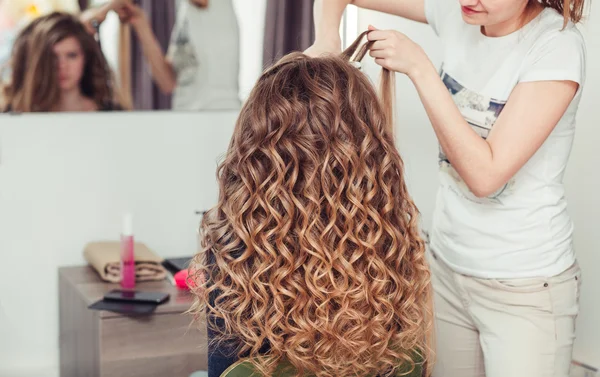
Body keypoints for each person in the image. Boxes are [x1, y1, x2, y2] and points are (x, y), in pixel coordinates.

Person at [306, 0, 587, 377]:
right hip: (447, 270)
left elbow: (485, 176)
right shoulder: (457, 11)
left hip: (525, 288)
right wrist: (328, 37)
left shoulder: (556, 46)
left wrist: (420, 68)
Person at [188, 32, 433, 377]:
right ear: (368, 148)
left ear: (255, 150)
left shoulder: (235, 250)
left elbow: (230, 372)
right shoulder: (389, 241)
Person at [84, 0, 241, 111]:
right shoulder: (185, 12)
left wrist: (104, 9)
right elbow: (168, 82)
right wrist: (140, 23)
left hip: (217, 115)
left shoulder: (217, 5)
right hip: (187, 117)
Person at [1, 12, 123, 112]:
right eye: (53, 57)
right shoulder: (15, 115)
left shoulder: (111, 114)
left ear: (86, 58)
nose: (62, 66)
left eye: (71, 55)